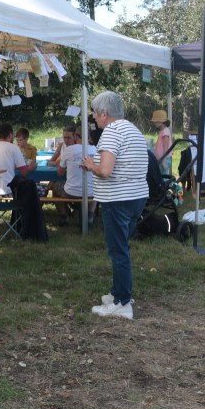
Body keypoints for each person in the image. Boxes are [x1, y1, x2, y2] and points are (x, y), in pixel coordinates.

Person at [81, 91, 149, 320]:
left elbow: (105, 171)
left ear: (104, 113)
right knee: (122, 248)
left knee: (118, 251)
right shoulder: (133, 130)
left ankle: (122, 303)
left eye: (94, 113)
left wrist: (91, 166)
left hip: (117, 199)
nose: (93, 117)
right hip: (137, 197)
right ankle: (118, 293)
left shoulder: (110, 132)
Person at [52, 126, 97, 228]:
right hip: (91, 192)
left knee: (55, 187)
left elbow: (60, 173)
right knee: (95, 189)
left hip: (71, 192)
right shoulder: (96, 150)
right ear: (89, 137)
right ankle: (90, 216)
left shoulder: (69, 150)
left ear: (76, 137)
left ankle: (63, 217)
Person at [0, 123, 34, 195]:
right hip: (9, 189)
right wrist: (32, 167)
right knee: (39, 188)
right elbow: (24, 172)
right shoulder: (13, 148)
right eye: (13, 135)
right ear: (10, 135)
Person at [150, 110, 173, 176]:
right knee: (160, 177)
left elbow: (166, 148)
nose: (154, 123)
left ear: (161, 121)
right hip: (160, 159)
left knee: (164, 178)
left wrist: (164, 162)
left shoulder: (165, 132)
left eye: (155, 121)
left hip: (164, 160)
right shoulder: (162, 131)